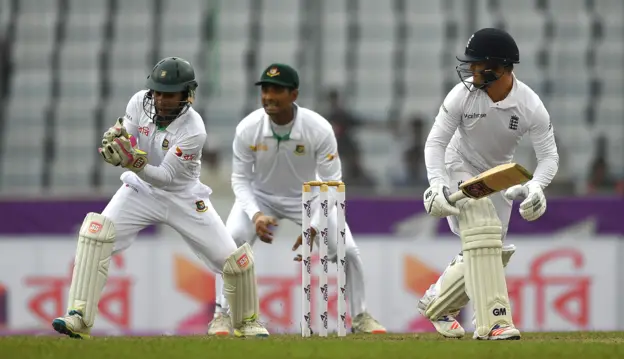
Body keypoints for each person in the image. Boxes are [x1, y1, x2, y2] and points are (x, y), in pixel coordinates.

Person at [51, 57, 269, 339]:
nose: (162, 99)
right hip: (139, 191)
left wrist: (132, 163)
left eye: (170, 94)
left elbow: (165, 176)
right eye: (158, 92)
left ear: (187, 95)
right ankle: (78, 316)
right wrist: (117, 140)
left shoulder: (194, 130)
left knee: (232, 261)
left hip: (183, 196)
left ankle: (247, 321)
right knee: (96, 235)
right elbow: (128, 140)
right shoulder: (138, 102)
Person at [207, 63, 386, 335]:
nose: (269, 96)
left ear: (294, 95)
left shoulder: (318, 128)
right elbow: (240, 180)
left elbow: (332, 184)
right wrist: (255, 214)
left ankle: (360, 316)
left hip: (312, 197)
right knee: (231, 244)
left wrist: (314, 225)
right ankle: (221, 313)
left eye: (277, 90)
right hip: (261, 196)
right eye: (265, 89)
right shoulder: (248, 128)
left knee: (348, 251)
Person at [419, 28, 559, 340]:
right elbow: (435, 143)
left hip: (498, 176)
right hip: (460, 163)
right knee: (481, 227)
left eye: (477, 65)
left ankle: (437, 302)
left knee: (491, 250)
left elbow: (549, 156)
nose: (470, 71)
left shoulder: (530, 105)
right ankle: (494, 322)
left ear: (501, 68)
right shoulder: (462, 95)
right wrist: (438, 184)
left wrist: (537, 186)